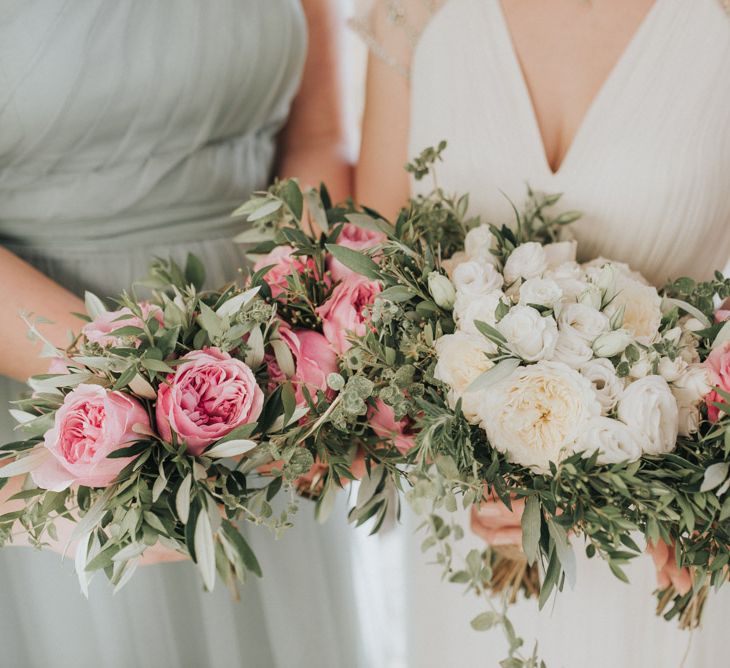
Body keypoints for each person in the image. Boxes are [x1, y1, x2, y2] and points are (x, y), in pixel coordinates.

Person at [353, 0, 730, 666]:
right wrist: (478, 463)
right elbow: (374, 279)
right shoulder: (416, 12)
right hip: (472, 525)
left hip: (665, 532)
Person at [0, 2, 365, 666]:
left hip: (265, 388)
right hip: (49, 380)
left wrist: (293, 334)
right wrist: (129, 384)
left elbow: (316, 134)